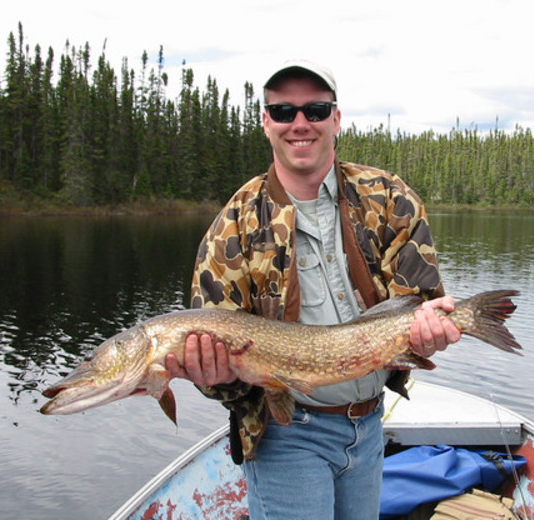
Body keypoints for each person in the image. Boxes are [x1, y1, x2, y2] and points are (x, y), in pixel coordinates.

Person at [165, 59, 461, 520]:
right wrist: (213, 375)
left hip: (370, 425)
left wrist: (430, 330)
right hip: (287, 435)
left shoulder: (389, 197)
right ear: (266, 123)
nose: (299, 124)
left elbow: (418, 303)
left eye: (316, 110)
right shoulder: (234, 225)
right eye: (283, 112)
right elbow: (219, 375)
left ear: (336, 119)